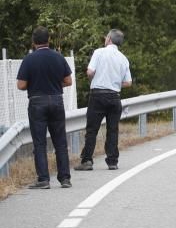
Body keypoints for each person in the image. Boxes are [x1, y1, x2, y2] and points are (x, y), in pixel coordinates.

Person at [15, 27, 74, 189]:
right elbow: (68, 81)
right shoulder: (58, 57)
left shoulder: (29, 59)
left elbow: (21, 85)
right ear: (49, 40)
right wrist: (55, 84)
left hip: (37, 102)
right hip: (56, 100)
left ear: (34, 42)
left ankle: (43, 179)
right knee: (60, 142)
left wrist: (35, 84)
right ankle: (65, 179)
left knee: (39, 143)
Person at [76, 29, 133, 171]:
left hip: (98, 95)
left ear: (109, 39)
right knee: (112, 129)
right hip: (114, 97)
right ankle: (112, 161)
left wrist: (94, 78)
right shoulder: (123, 58)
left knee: (92, 129)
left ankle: (87, 160)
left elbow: (90, 71)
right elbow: (128, 82)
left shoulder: (99, 52)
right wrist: (114, 82)